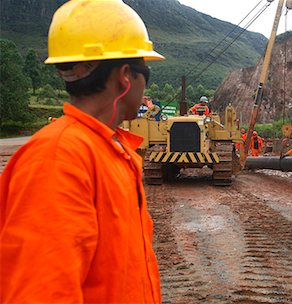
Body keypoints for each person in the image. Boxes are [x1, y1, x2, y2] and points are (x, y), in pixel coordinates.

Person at [0, 0, 164, 303]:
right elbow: (42, 293)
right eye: (147, 72)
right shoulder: (59, 159)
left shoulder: (111, 149)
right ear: (126, 76)